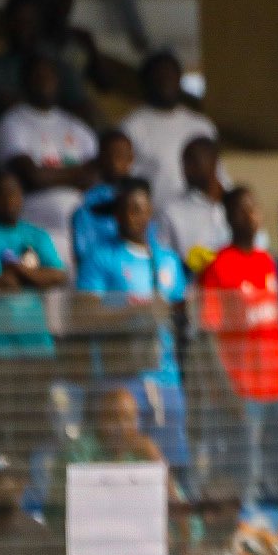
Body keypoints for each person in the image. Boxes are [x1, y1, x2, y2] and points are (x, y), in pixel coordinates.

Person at [198, 188, 278, 503]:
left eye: (254, 208)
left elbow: (277, 325)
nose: (251, 216)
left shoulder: (267, 262)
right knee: (248, 467)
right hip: (244, 388)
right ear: (229, 217)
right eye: (243, 210)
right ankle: (247, 523)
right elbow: (208, 333)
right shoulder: (218, 267)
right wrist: (226, 388)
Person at [76, 180, 191, 471]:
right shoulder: (100, 257)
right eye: (127, 210)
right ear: (116, 215)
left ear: (150, 212)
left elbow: (180, 315)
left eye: (140, 209)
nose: (134, 216)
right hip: (119, 377)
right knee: (120, 462)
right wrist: (137, 311)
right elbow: (85, 314)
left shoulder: (168, 260)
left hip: (166, 377)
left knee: (169, 463)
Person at [0, 171, 69, 457]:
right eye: (2, 193)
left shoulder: (36, 234)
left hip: (36, 347)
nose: (10, 200)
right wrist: (35, 276)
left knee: (36, 424)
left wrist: (19, 270)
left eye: (15, 193)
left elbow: (58, 276)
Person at [0, 54, 99, 267]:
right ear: (24, 81)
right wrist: (76, 173)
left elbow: (95, 177)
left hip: (78, 236)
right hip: (31, 233)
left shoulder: (77, 127)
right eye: (37, 76)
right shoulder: (12, 123)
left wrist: (47, 174)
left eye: (50, 75)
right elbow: (31, 177)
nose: (44, 81)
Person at [0, 0, 89, 126]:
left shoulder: (56, 63)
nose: (23, 28)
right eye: (17, 21)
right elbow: (8, 106)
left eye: (29, 22)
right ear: (5, 23)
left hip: (58, 135)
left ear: (39, 25)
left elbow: (81, 106)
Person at [119, 50, 218, 210]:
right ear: (146, 82)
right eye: (159, 77)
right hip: (154, 218)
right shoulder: (130, 127)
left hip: (200, 216)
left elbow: (218, 176)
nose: (166, 82)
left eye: (171, 75)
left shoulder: (202, 126)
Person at [153, 135, 232, 267]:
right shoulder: (171, 212)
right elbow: (163, 260)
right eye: (184, 164)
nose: (186, 170)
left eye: (193, 162)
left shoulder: (238, 201)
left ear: (214, 161)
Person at [69, 127, 138, 266]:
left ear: (131, 158)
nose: (116, 161)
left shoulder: (139, 196)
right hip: (103, 268)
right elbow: (85, 253)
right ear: (100, 159)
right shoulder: (88, 203)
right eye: (111, 155)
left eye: (123, 155)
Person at [36, 0, 105, 98]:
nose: (61, 3)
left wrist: (91, 54)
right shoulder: (31, 39)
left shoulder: (80, 40)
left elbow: (103, 83)